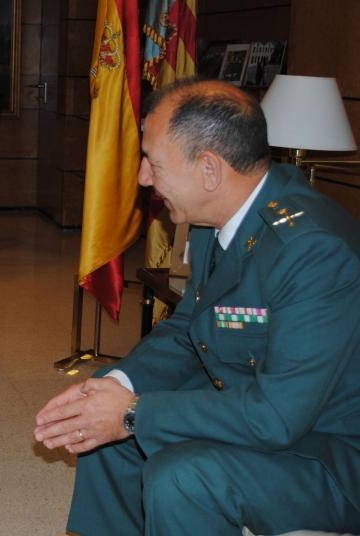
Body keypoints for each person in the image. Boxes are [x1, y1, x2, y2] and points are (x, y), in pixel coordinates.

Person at [34, 78, 360, 535]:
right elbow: (189, 327)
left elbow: (278, 417)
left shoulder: (311, 250)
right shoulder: (217, 215)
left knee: (182, 477)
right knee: (104, 433)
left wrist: (134, 413)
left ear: (209, 170)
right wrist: (114, 387)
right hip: (256, 410)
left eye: (153, 163)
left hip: (327, 455)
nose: (144, 177)